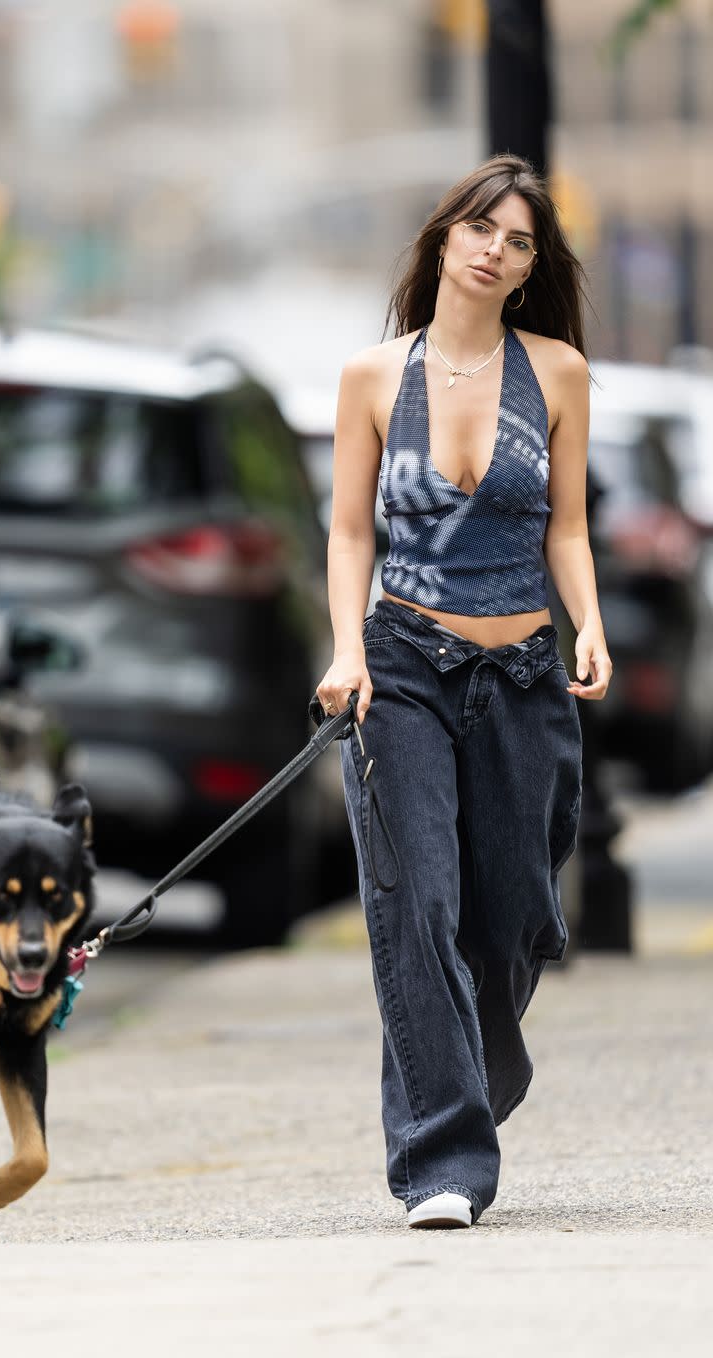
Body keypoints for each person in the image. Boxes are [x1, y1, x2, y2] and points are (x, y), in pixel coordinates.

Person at [315, 153, 612, 1230]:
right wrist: (346, 650)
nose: (496, 247)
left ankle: (466, 1077)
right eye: (482, 227)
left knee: (518, 919)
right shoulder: (369, 378)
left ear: (532, 268)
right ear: (445, 238)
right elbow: (350, 531)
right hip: (402, 668)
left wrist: (593, 624)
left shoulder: (561, 372)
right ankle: (443, 1160)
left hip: (527, 673)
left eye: (520, 239)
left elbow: (567, 527)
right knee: (419, 906)